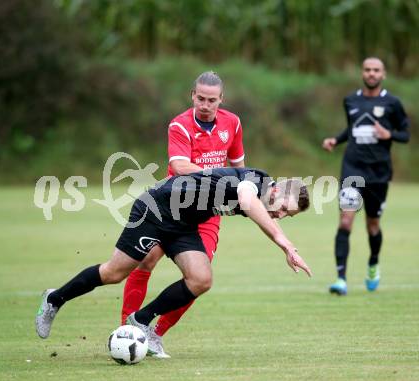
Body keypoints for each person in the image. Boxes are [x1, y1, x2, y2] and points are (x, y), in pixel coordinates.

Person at [35, 167, 312, 352]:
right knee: (114, 273)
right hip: (156, 208)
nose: (282, 216)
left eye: (288, 216)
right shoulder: (256, 180)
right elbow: (246, 200)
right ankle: (54, 299)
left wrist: (283, 240)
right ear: (277, 191)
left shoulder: (265, 195)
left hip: (183, 224)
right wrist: (285, 243)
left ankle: (141, 320)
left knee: (201, 279)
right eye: (285, 210)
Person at [120, 71, 245, 358]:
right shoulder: (180, 124)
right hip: (171, 206)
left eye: (211, 100)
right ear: (192, 96)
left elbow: (239, 167)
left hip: (207, 214)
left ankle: (155, 333)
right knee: (145, 261)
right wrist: (220, 177)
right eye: (200, 98)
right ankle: (126, 330)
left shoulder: (233, 123)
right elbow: (179, 166)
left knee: (199, 278)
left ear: (220, 100)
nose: (205, 104)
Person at [322, 57, 410, 295]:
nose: (371, 74)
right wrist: (336, 140)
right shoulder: (351, 100)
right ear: (362, 73)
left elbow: (405, 135)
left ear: (383, 74)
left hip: (379, 173)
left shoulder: (393, 103)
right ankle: (341, 279)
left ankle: (373, 263)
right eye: (368, 70)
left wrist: (388, 134)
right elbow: (351, 129)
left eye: (376, 70)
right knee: (346, 220)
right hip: (353, 168)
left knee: (372, 225)